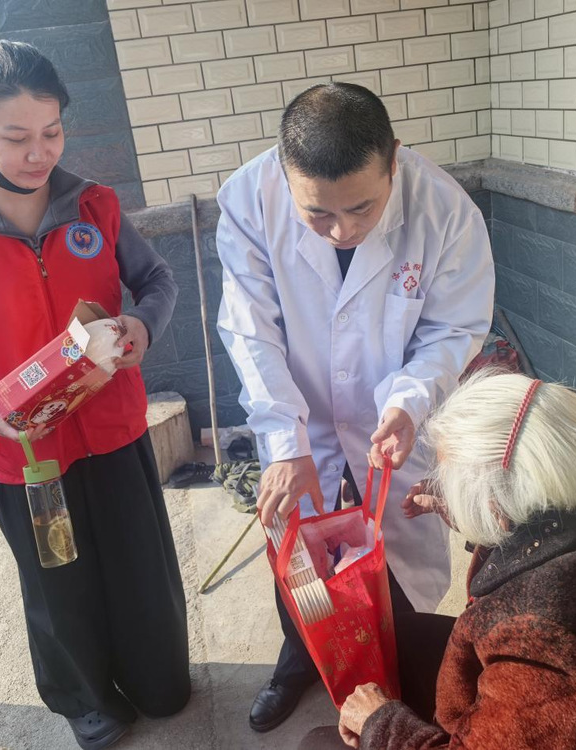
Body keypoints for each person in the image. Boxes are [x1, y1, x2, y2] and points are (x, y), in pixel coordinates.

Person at [0, 41, 190, 750]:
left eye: (52, 132)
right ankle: (85, 700)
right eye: (16, 137)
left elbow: (157, 282)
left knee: (139, 570)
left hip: (113, 432)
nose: (39, 153)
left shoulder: (93, 206)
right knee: (59, 585)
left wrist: (143, 326)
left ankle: (157, 676)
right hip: (27, 456)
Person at [215, 82, 496, 731]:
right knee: (303, 565)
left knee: (396, 572)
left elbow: (453, 329)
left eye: (362, 208)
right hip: (300, 417)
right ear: (285, 173)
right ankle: (301, 659)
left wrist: (408, 401)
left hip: (392, 422)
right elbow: (251, 330)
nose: (341, 231)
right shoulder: (250, 200)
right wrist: (284, 440)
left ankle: (394, 681)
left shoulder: (445, 211)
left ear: (393, 159)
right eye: (317, 215)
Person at [301, 372, 576, 749]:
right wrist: (472, 510)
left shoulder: (545, 646)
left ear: (498, 503)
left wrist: (381, 723)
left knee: (316, 743)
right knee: (400, 634)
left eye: (468, 492)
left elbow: (549, 655)